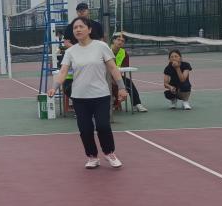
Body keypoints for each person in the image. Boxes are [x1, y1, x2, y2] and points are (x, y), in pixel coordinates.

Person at [47, 17, 127, 168]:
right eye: (75, 27)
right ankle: (92, 157)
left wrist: (122, 87)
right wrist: (54, 87)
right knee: (85, 129)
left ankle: (109, 152)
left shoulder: (101, 46)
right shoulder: (70, 51)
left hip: (101, 95)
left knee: (103, 126)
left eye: (81, 26)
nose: (77, 29)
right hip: (79, 97)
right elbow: (63, 72)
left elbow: (113, 68)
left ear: (89, 29)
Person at [111, 35, 147, 112]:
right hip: (104, 77)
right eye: (118, 39)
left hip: (117, 77)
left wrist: (117, 80)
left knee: (129, 83)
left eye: (122, 41)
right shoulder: (106, 50)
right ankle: (112, 104)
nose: (120, 42)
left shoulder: (123, 53)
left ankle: (136, 104)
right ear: (113, 40)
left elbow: (124, 68)